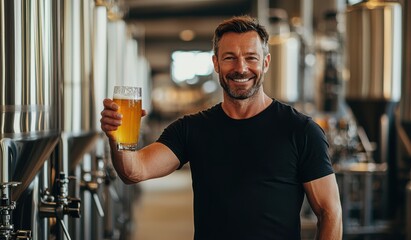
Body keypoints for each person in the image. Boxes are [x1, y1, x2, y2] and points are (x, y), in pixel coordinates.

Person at [100, 15, 342, 240]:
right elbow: (134, 171)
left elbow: (330, 213)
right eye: (229, 58)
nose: (241, 68)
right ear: (216, 63)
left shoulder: (301, 130)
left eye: (251, 58)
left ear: (265, 63)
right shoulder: (192, 129)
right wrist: (117, 137)